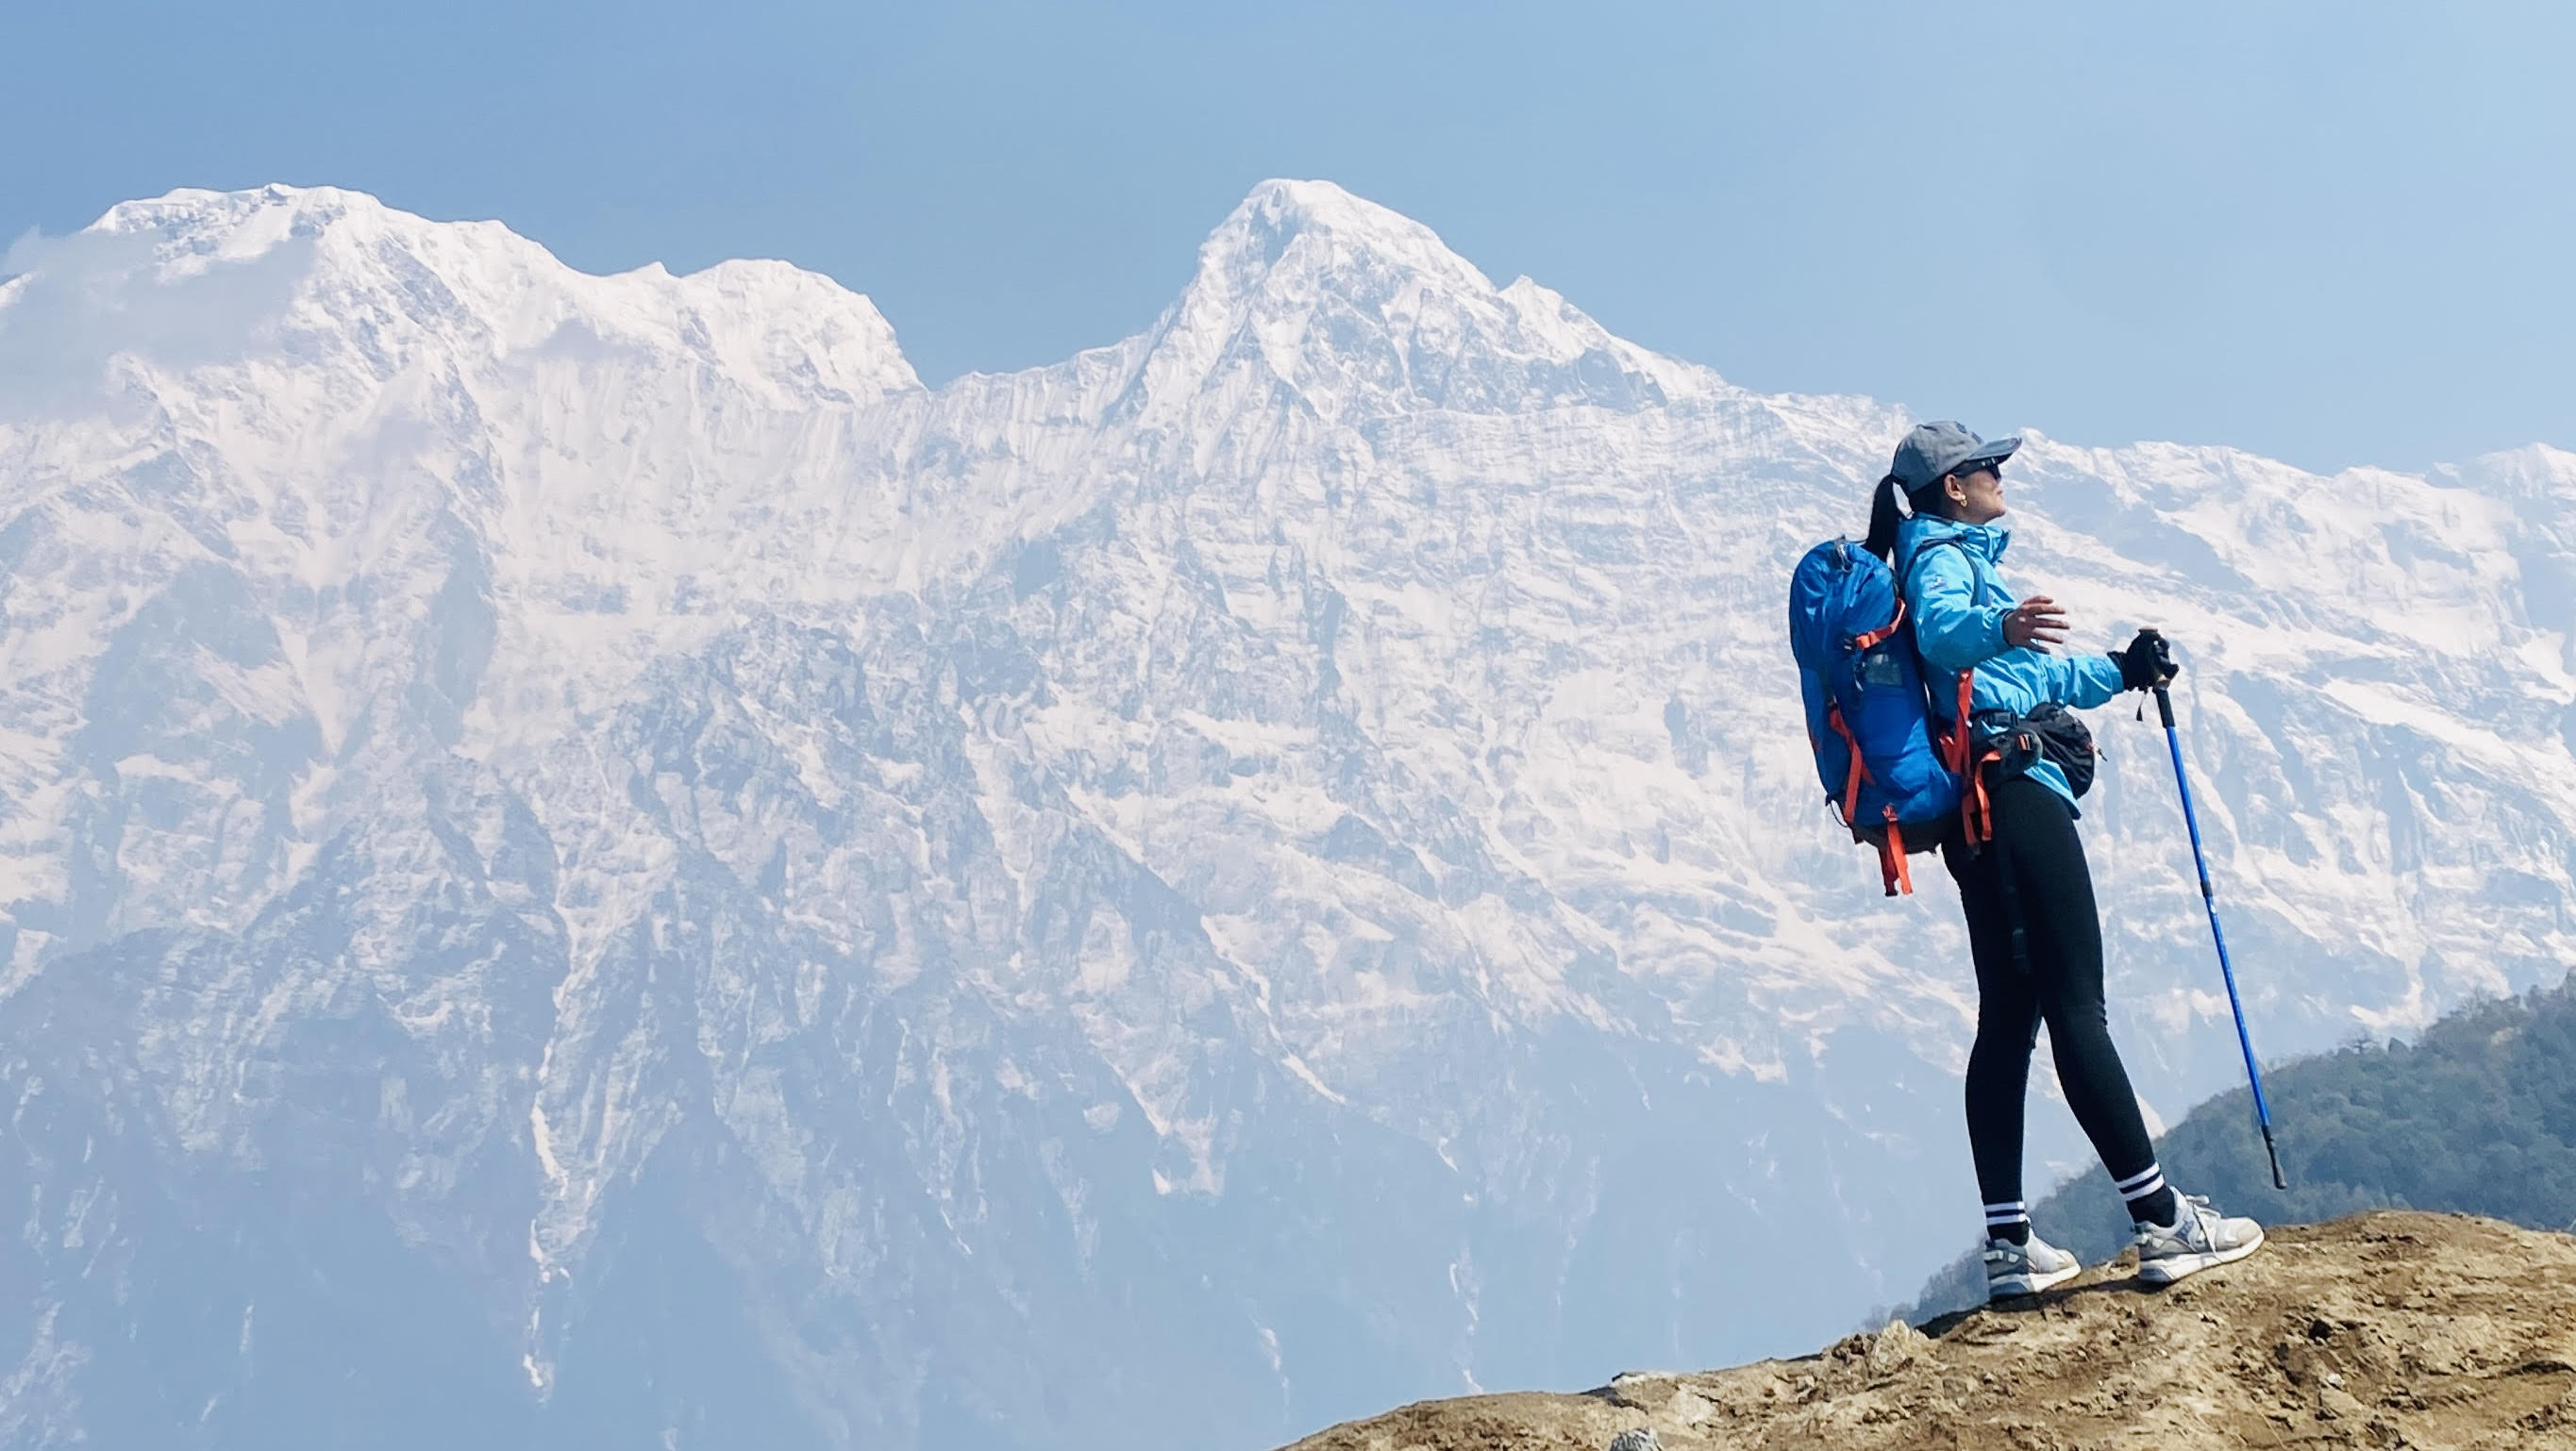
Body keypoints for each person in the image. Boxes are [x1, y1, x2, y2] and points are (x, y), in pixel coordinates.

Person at [1862, 420, 2267, 1299]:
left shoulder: (1948, 556)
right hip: (2016, 797)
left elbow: (2031, 678)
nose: (1999, 475)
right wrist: (1999, 619)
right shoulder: (1942, 557)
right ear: (1953, 489)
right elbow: (1941, 636)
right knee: (2078, 1002)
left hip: (1975, 814)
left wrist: (2122, 668)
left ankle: (2010, 1248)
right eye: (1985, 467)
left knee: (2010, 1017)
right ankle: (2163, 1222)